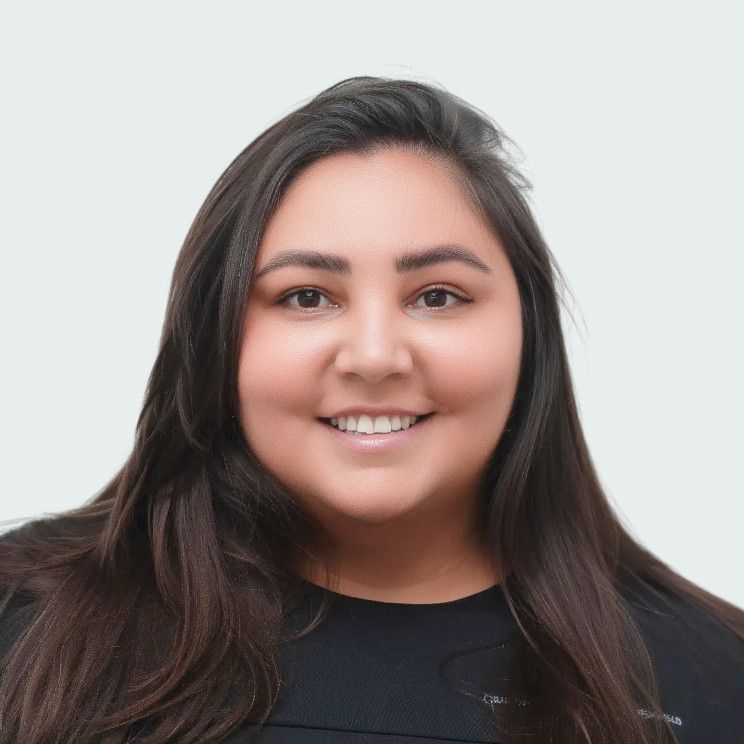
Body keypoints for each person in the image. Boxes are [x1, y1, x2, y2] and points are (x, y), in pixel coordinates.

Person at [0, 77, 742, 744]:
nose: (375, 356)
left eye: (438, 296)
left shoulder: (716, 678)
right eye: (306, 297)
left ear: (530, 334)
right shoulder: (24, 623)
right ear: (214, 337)